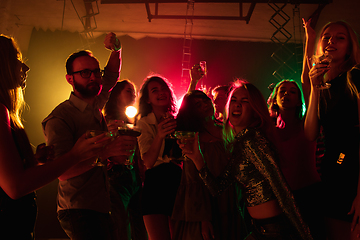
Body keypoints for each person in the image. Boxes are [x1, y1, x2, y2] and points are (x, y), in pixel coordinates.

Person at [0, 35, 111, 239]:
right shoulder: (60, 116)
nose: (25, 67)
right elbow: (14, 187)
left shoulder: (7, 112)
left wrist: (33, 161)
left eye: (96, 72)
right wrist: (76, 155)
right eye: (16, 58)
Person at [179, 80, 312, 239]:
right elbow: (217, 188)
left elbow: (281, 189)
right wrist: (197, 158)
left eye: (244, 101)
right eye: (234, 100)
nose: (237, 105)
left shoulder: (252, 139)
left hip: (275, 230)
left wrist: (305, 235)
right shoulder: (240, 143)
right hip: (259, 228)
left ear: (255, 110)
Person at [42, 33, 137, 240]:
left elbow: (111, 75)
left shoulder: (95, 103)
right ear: (70, 78)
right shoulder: (60, 117)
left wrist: (117, 49)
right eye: (85, 73)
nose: (93, 77)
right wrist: (106, 152)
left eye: (96, 71)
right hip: (78, 208)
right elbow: (62, 172)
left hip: (100, 204)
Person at [302, 20, 360, 239]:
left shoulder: (354, 76)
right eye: (326, 37)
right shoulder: (325, 84)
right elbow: (310, 134)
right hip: (332, 170)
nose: (331, 41)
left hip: (353, 171)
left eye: (340, 37)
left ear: (349, 47)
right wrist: (315, 88)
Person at [172, 89, 247, 240]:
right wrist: (203, 218)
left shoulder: (229, 129)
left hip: (232, 198)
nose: (205, 105)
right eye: (198, 105)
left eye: (205, 100)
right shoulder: (193, 137)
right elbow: (191, 179)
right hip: (206, 201)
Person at [268, 79, 326, 239]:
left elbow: (306, 81)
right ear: (274, 98)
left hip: (310, 196)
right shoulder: (268, 131)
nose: (286, 93)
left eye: (293, 91)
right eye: (282, 90)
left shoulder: (307, 124)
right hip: (281, 198)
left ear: (300, 100)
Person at [136, 75, 182, 240]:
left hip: (178, 181)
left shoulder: (178, 121)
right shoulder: (144, 124)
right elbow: (147, 161)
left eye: (164, 89)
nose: (161, 92)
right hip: (155, 182)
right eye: (155, 90)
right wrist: (160, 135)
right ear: (148, 99)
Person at [103, 79, 148, 240]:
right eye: (129, 91)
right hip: (116, 176)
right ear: (116, 95)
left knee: (139, 228)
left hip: (135, 177)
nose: (133, 95)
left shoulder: (135, 121)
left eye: (135, 92)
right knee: (121, 226)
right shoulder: (107, 122)